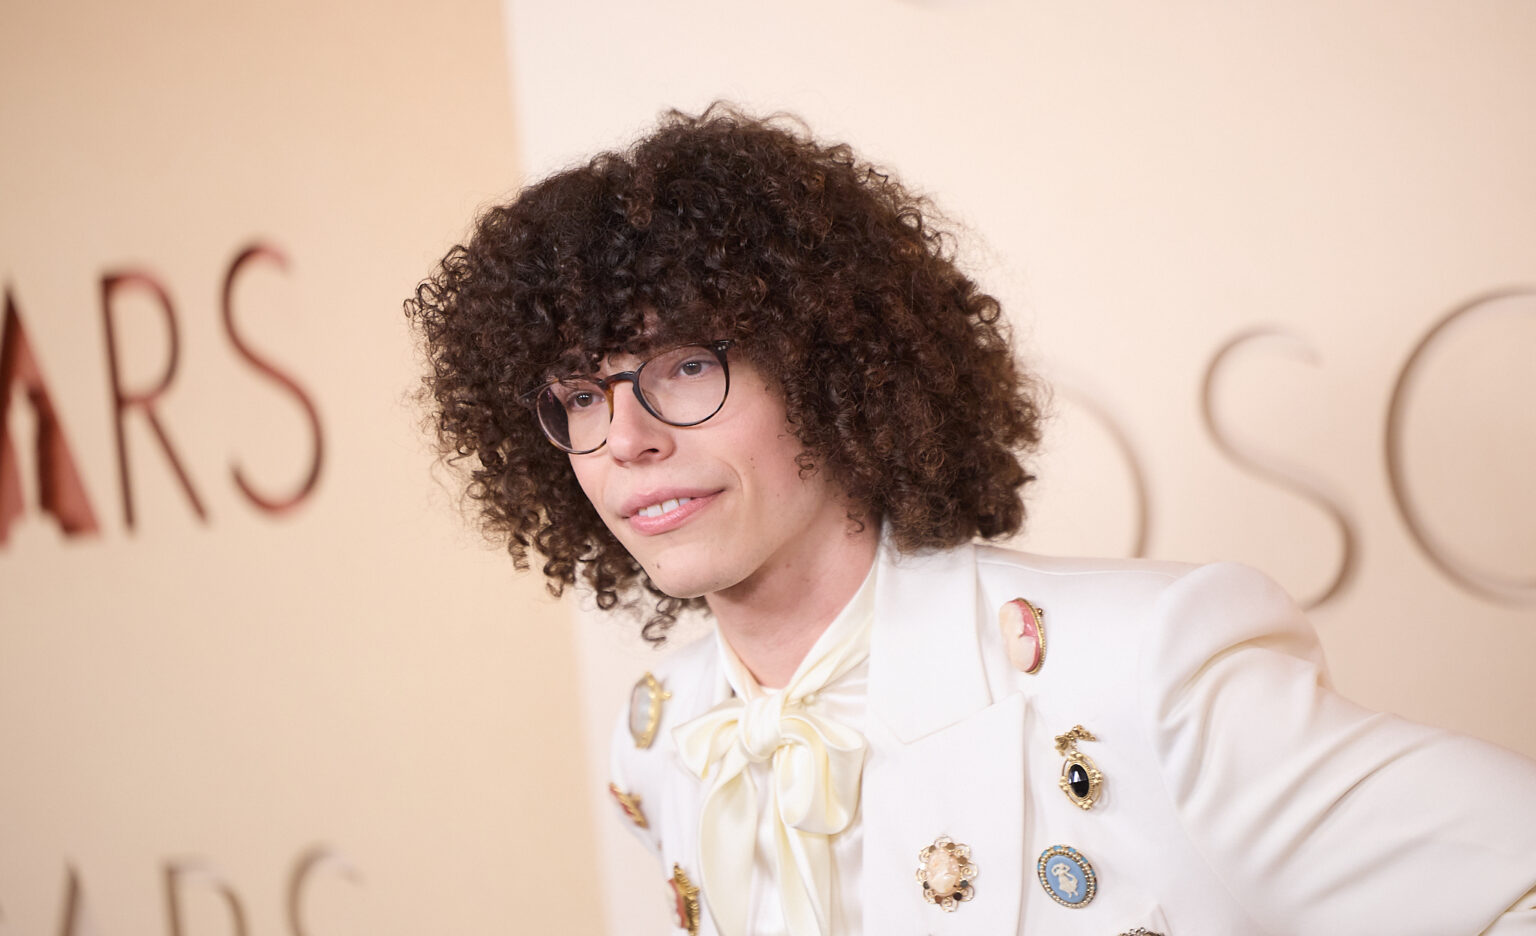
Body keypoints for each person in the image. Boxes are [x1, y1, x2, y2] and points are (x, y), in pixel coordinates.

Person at [406, 106, 1536, 936]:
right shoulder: (660, 739)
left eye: (686, 366)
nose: (627, 438)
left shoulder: (1147, 668)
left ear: (829, 363)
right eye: (580, 396)